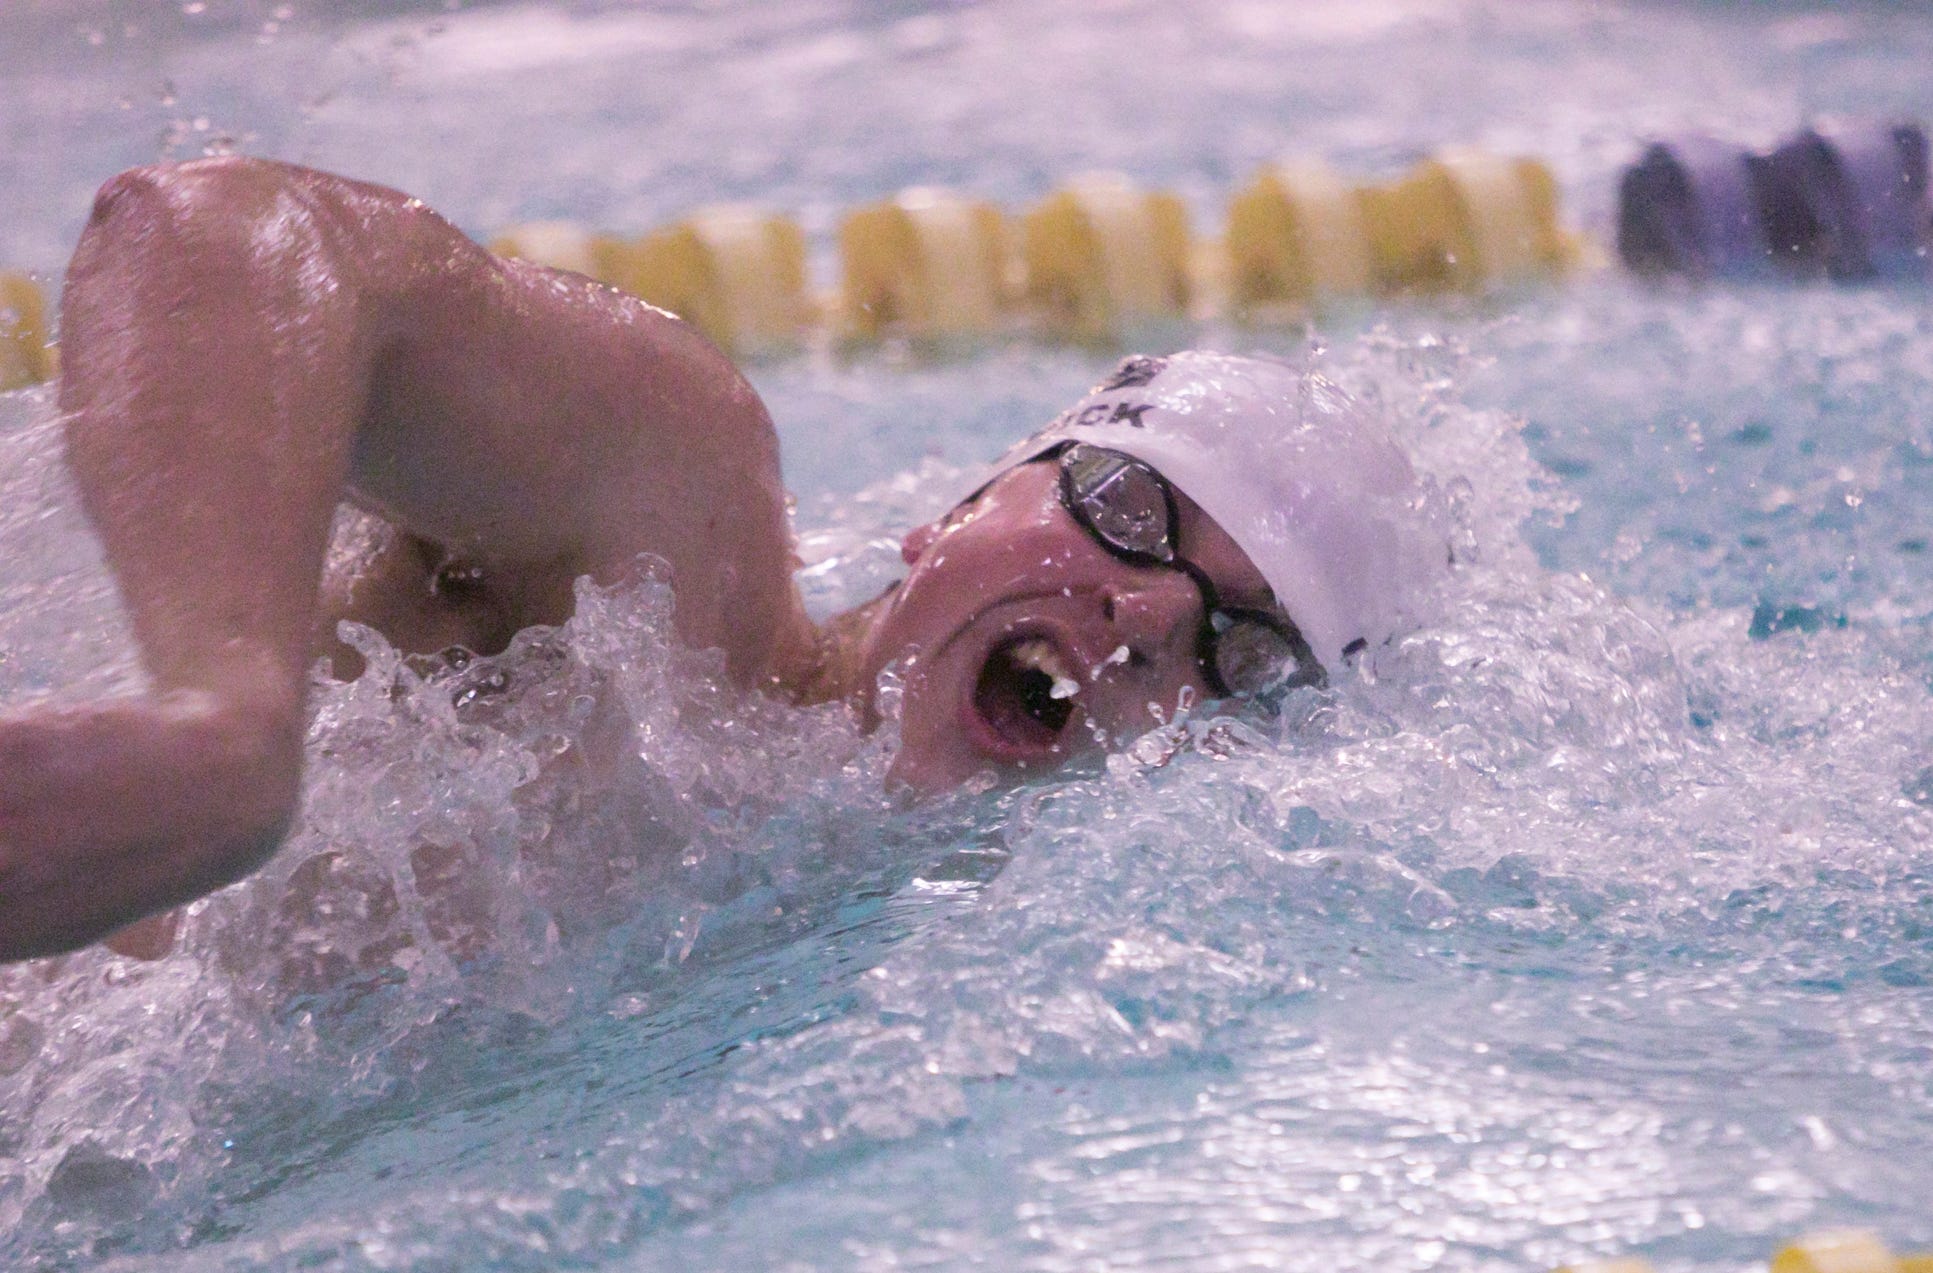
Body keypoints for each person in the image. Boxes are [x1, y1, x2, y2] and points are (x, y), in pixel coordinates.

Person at [0, 157, 1444, 964]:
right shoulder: (665, 532)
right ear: (951, 512)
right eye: (1130, 506)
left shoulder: (880, 972)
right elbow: (221, 223)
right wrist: (221, 724)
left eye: (1237, 650)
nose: (1142, 609)